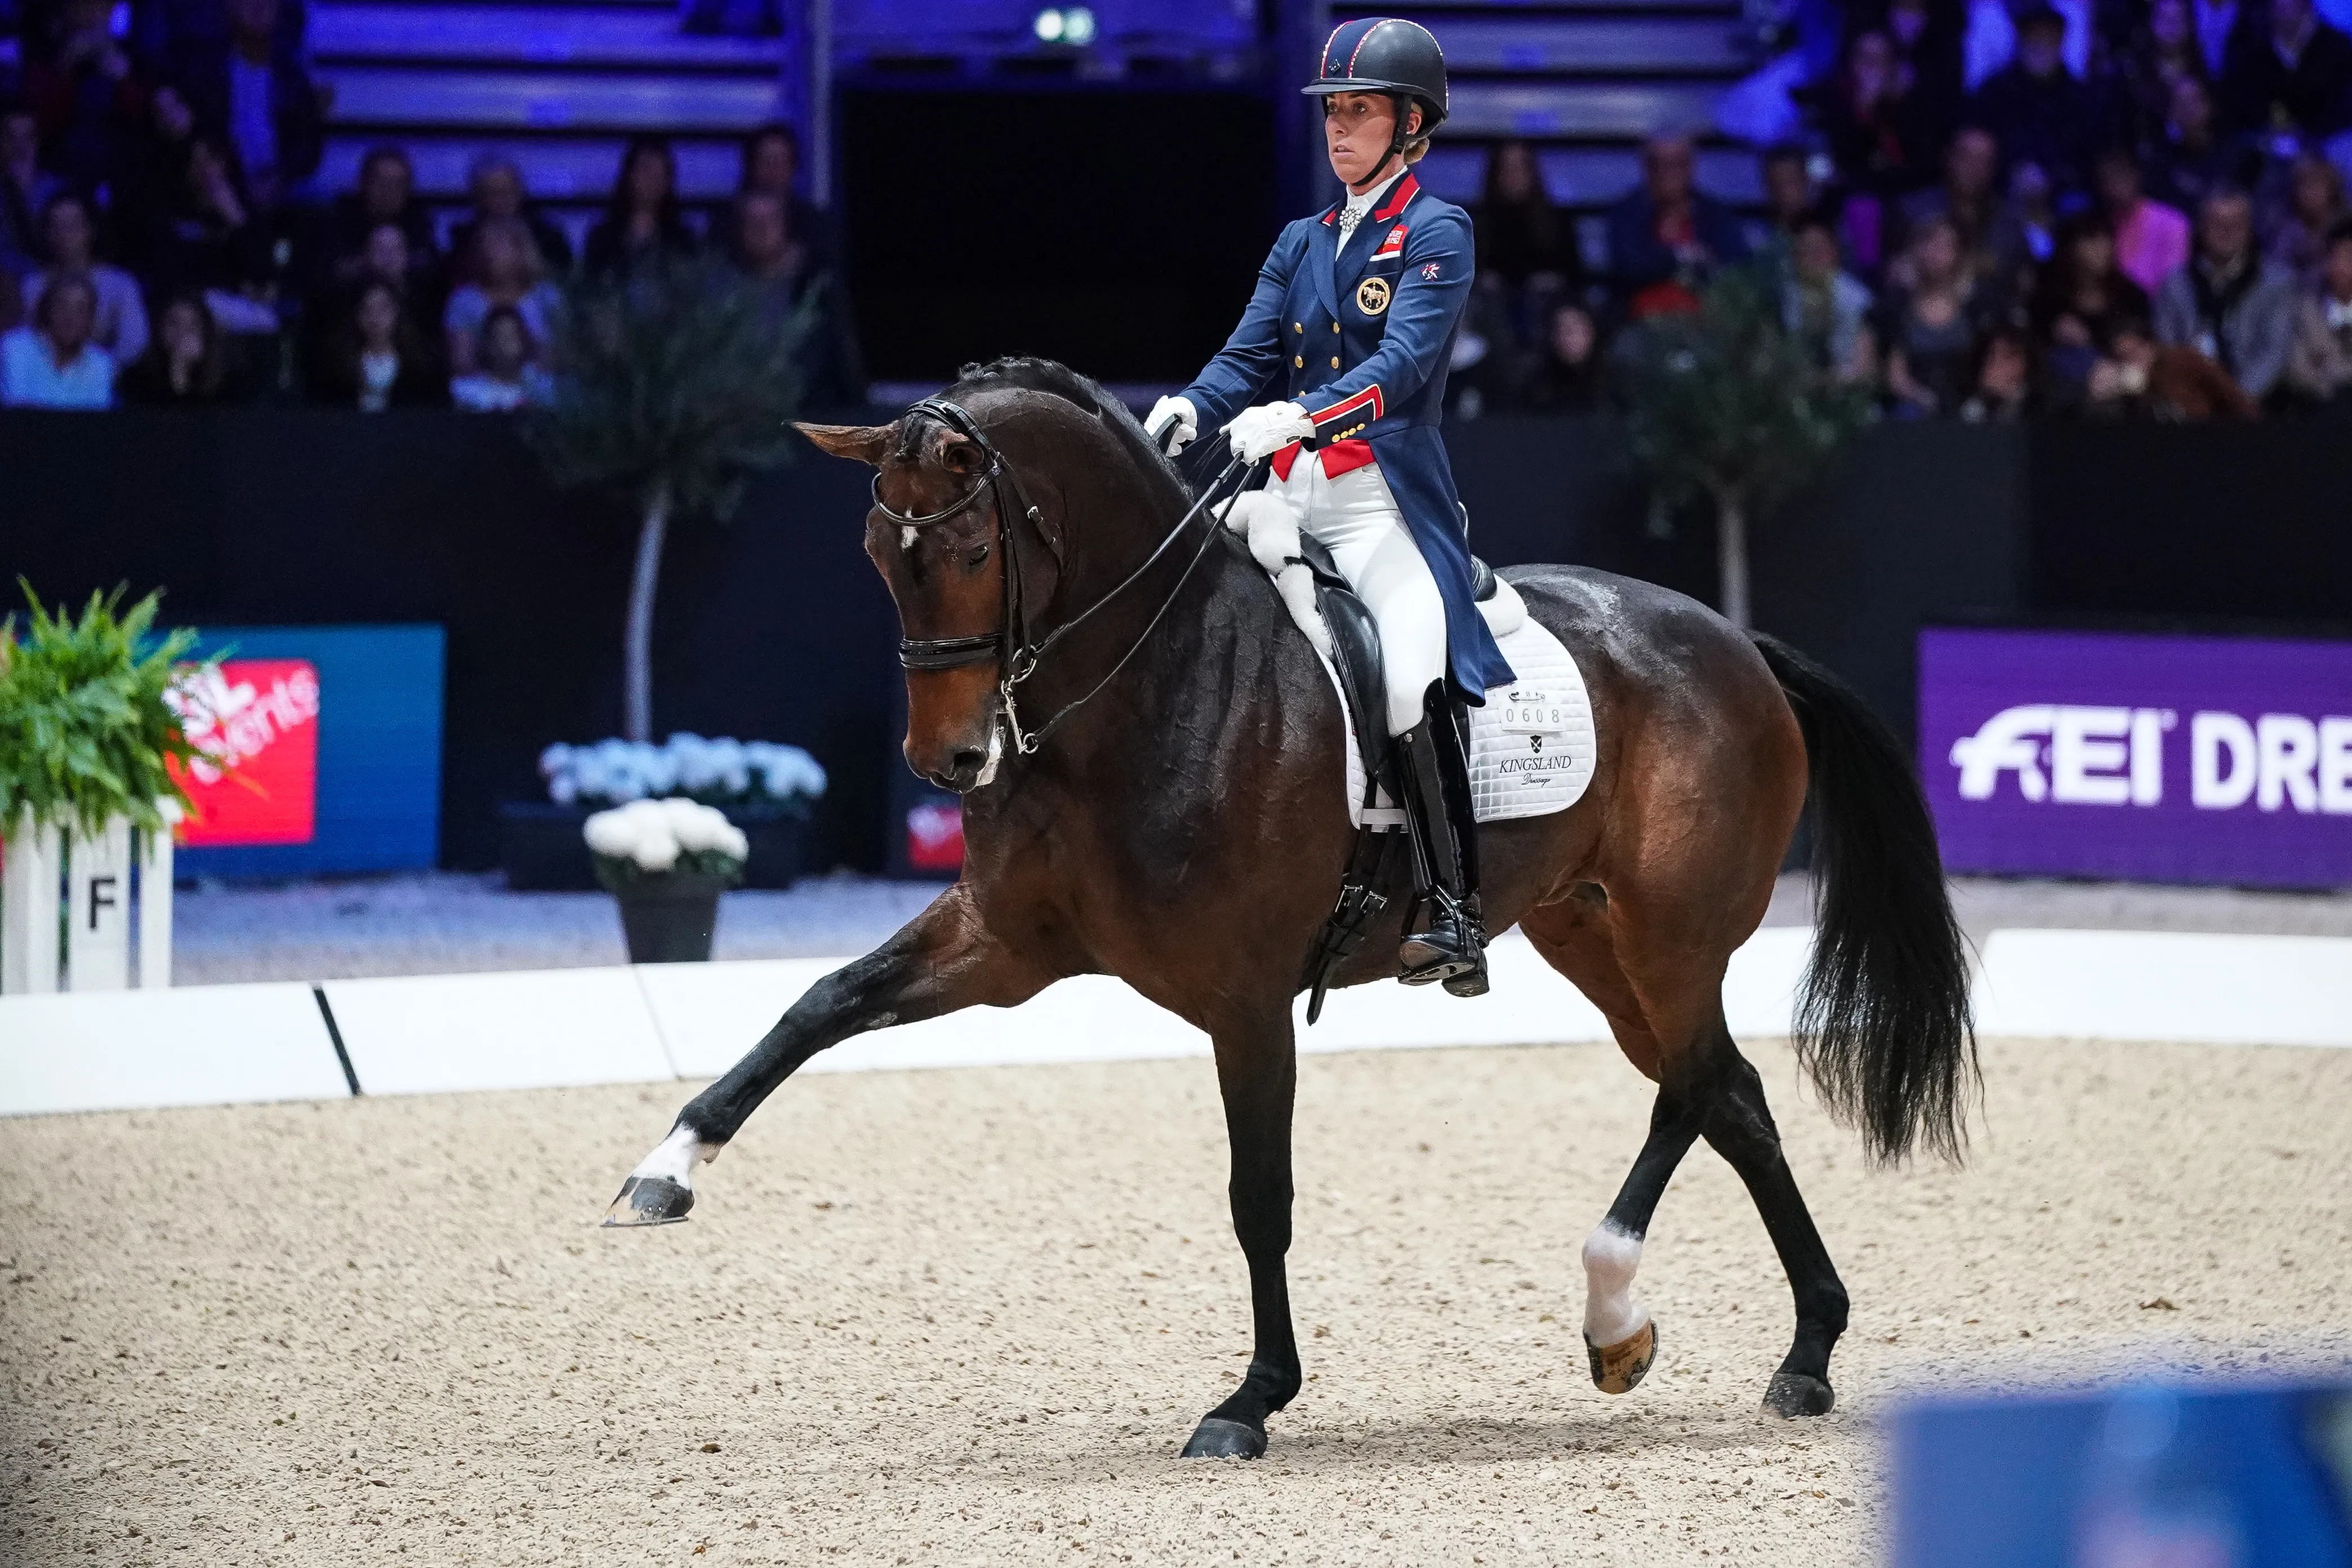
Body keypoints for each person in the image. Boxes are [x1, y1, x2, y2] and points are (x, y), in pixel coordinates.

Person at [1145, 19, 1511, 996]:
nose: (1339, 128)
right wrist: (1195, 404)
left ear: (1411, 125)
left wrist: (1302, 416)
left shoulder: (1436, 231)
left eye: (1360, 111)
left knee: (1410, 676)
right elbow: (1247, 353)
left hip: (1381, 502)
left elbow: (1401, 367)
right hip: (1288, 492)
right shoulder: (1300, 240)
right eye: (1333, 111)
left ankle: (1455, 908)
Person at [165, 0, 327, 194]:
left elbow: (308, 148)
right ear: (228, 6)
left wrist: (280, 177)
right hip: (216, 184)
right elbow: (194, 138)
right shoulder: (202, 71)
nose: (259, 7)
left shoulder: (293, 77)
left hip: (278, 191)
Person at [2154, 185, 2298, 399]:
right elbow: (2167, 348)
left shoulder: (2276, 283)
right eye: (2217, 223)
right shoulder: (2175, 284)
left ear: (2249, 229)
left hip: (2252, 402)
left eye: (2236, 224)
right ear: (2202, 227)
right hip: (2188, 400)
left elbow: (2274, 352)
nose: (2227, 231)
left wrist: (2234, 399)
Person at [1965, 2, 2108, 197]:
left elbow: (2089, 157)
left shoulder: (2083, 98)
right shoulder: (1993, 93)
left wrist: (2052, 178)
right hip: (1999, 196)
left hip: (2068, 200)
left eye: (2049, 36)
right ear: (2021, 39)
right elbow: (1977, 148)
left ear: (2061, 40)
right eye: (2034, 35)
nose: (2041, 43)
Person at [1603, 133, 1750, 314]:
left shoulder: (1716, 215)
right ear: (1645, 168)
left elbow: (1733, 269)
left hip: (1705, 320)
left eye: (1676, 164)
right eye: (1657, 164)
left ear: (1690, 167)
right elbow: (1630, 267)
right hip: (1640, 321)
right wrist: (1683, 256)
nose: (1667, 174)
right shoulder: (1626, 214)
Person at [1897, 124, 2031, 290]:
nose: (1972, 168)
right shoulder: (1913, 210)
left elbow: (2022, 277)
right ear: (1949, 158)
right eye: (1965, 157)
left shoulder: (2009, 223)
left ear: (1993, 169)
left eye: (1982, 161)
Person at [1879, 213, 1990, 413]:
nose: (1935, 253)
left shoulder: (1975, 308)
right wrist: (1927, 401)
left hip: (1968, 408)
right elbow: (1897, 378)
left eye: (1945, 247)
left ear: (1958, 254)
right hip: (1913, 407)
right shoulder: (1898, 307)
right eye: (1929, 243)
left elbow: (1986, 367)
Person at [24, 190, 148, 363]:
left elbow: (134, 343)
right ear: (46, 234)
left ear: (91, 230)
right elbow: (23, 340)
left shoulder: (120, 284)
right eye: (56, 226)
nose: (64, 234)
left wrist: (96, 371)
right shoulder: (32, 286)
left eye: (72, 225)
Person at [2219, 0, 2352, 138]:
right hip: (2268, 145)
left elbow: (2343, 111)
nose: (2282, 4)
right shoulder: (2252, 56)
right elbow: (2246, 112)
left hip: (2334, 141)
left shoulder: (2340, 50)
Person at [443, 215, 556, 375]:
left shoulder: (548, 297)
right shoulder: (463, 301)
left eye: (499, 244)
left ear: (521, 249)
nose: (490, 253)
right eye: (485, 245)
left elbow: (562, 354)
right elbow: (462, 362)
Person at [2086, 313, 2260, 414]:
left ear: (2150, 346)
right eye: (2123, 358)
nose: (2132, 362)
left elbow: (2230, 394)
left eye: (2134, 353)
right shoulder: (2118, 384)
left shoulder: (2182, 360)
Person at [311, 275, 442, 409]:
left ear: (396, 312)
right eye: (367, 310)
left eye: (383, 309)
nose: (375, 318)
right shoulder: (339, 365)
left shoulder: (417, 364)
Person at [1781, 207, 1878, 383]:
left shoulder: (1859, 300)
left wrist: (1822, 381)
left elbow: (1864, 370)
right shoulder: (1785, 297)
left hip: (1848, 388)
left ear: (1834, 252)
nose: (1811, 258)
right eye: (1804, 250)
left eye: (1818, 250)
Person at [445, 153, 573, 278]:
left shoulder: (549, 237)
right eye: (493, 193)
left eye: (507, 192)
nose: (501, 201)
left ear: (519, 192)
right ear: (478, 198)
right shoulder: (463, 241)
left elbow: (562, 277)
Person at [585, 135, 697, 274]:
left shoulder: (682, 240)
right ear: (629, 175)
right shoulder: (603, 239)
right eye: (646, 170)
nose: (652, 181)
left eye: (660, 174)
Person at [0, 270, 114, 406]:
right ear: (47, 309)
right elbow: (15, 408)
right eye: (62, 306)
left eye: (80, 309)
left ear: (90, 319)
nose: (70, 318)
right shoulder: (14, 349)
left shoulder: (100, 364)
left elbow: (97, 415)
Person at [2093, 144, 2191, 292]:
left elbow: (2174, 286)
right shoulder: (2096, 227)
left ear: (2136, 175)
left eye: (2121, 175)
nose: (2115, 185)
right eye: (2108, 179)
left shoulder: (2172, 223)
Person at [116, 291, 231, 402]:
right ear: (159, 328)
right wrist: (178, 369)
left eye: (193, 325)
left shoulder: (227, 378)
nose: (183, 333)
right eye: (174, 323)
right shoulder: (136, 378)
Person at [2285, 216, 2352, 403]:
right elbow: (2297, 370)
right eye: (2336, 257)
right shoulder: (2305, 312)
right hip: (2317, 408)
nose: (2342, 268)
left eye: (2349, 258)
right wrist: (2330, 389)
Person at [2265, 148, 2349, 286]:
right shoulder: (2285, 233)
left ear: (2332, 187)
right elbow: (2275, 274)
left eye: (2317, 184)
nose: (2311, 192)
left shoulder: (2347, 228)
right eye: (2304, 184)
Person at [449, 303, 549, 411]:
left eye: (514, 336)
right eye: (505, 338)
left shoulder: (542, 387)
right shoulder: (467, 392)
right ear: (490, 345)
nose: (511, 344)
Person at [1514, 299, 1603, 412]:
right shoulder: (1535, 384)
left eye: (1573, 328)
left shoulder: (1611, 380)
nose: (1565, 335)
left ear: (1590, 332)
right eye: (1559, 328)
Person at [1958, 324, 2037, 418]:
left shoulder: (2038, 408)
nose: (1994, 362)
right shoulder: (1962, 400)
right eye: (1992, 353)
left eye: (2007, 357)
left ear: (2024, 366)